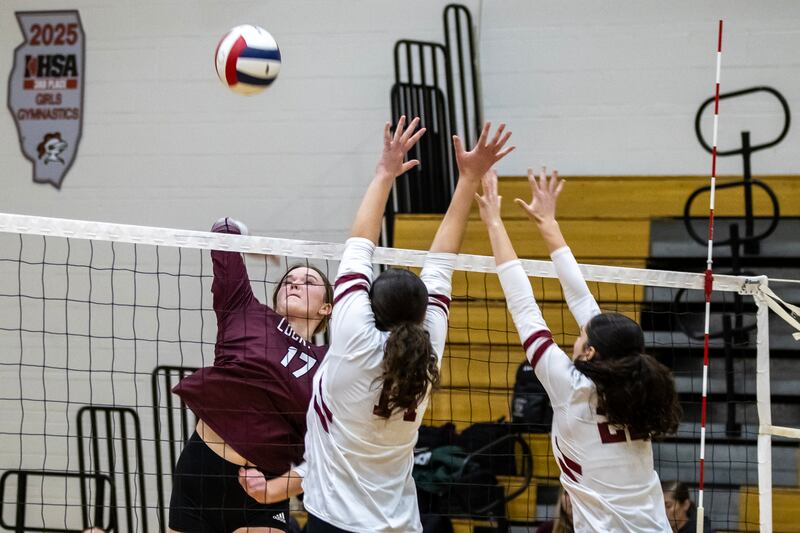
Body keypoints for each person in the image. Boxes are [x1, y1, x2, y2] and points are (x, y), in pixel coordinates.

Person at [295, 117, 513, 533]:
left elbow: (362, 241)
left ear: (369, 308)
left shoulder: (356, 339)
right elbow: (442, 259)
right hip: (399, 525)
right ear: (421, 311)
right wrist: (468, 179)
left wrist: (384, 172)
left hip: (334, 522)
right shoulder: (425, 345)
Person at [474, 167, 682, 532]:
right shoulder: (637, 386)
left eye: (583, 337)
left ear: (591, 354)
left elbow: (524, 306)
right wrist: (547, 224)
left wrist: (493, 221)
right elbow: (582, 300)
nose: (577, 336)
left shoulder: (570, 387)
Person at [169, 216, 333, 533]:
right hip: (201, 472)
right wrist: (247, 241)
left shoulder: (329, 361)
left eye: (309, 281)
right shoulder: (246, 312)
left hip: (265, 484)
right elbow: (223, 230)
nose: (295, 282)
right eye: (289, 279)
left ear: (326, 308)